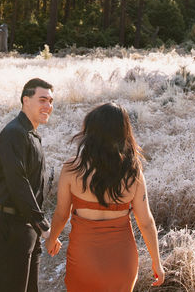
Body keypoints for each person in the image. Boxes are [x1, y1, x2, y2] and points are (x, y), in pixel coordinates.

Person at [44, 102, 164, 290]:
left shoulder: (71, 168)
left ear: (91, 132)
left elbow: (61, 214)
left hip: (83, 257)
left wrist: (52, 238)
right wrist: (157, 263)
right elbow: (146, 222)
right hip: (122, 259)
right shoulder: (133, 172)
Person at [0, 77, 54, 292]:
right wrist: (43, 224)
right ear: (26, 100)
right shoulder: (15, 133)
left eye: (51, 101)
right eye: (42, 100)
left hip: (24, 225)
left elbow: (33, 184)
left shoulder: (31, 135)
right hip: (9, 225)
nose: (48, 106)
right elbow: (18, 182)